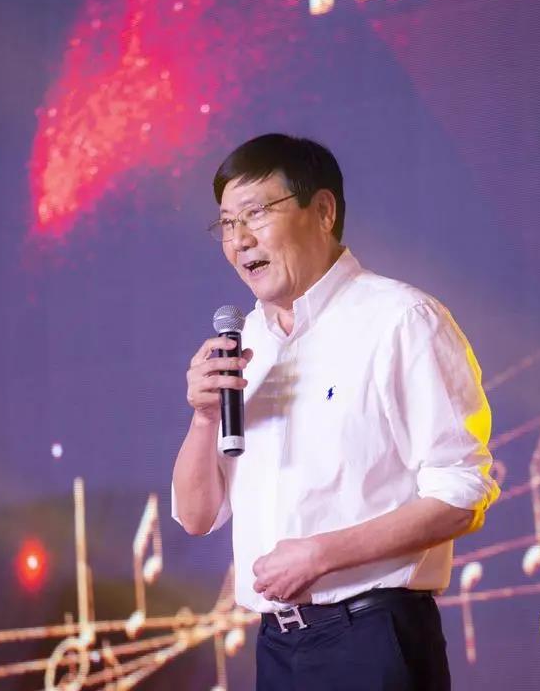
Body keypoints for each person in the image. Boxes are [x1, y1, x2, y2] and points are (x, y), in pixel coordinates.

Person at [170, 133, 500, 690]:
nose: (239, 239)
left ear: (322, 211)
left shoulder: (400, 320)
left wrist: (322, 554)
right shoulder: (246, 343)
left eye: (256, 213)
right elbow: (197, 516)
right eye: (226, 223)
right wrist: (203, 418)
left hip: (371, 637)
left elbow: (462, 494)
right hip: (277, 648)